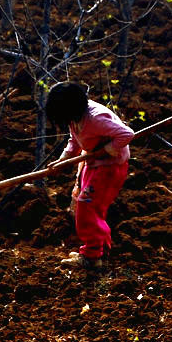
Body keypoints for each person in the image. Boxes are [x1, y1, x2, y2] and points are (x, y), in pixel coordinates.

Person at [44, 81, 134, 271]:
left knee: (87, 206)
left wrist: (108, 149)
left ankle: (91, 256)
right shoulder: (74, 117)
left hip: (110, 167)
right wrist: (62, 160)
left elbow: (126, 134)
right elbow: (74, 141)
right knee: (88, 205)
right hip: (92, 164)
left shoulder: (96, 119)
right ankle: (100, 251)